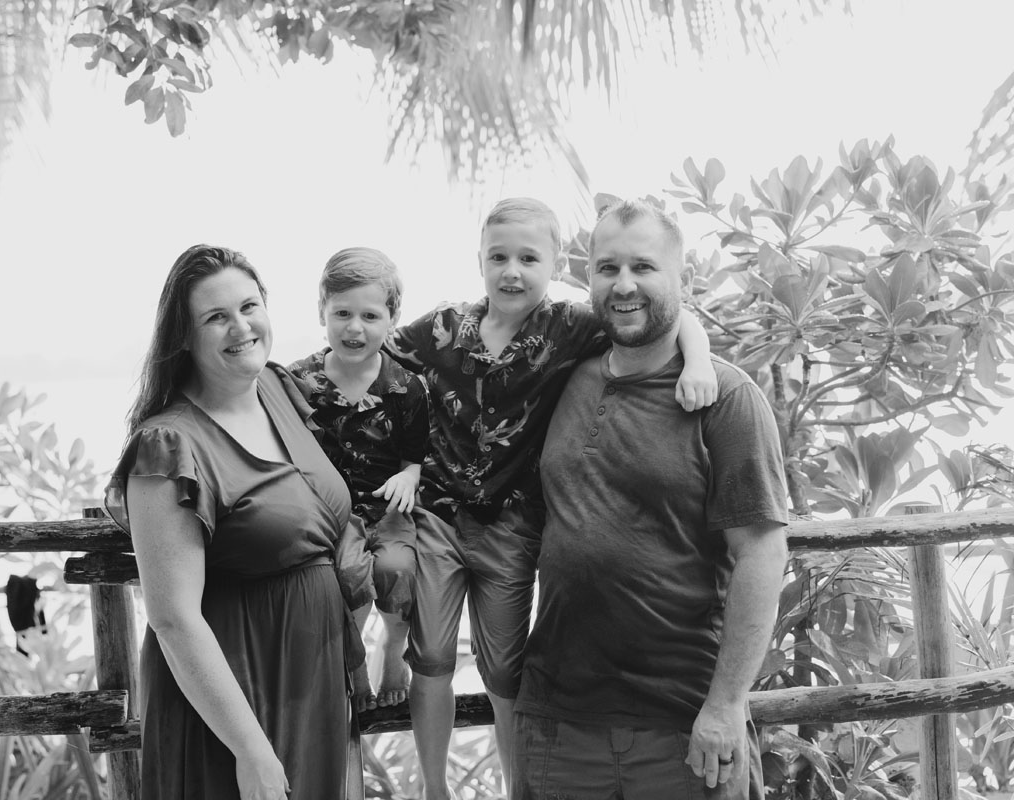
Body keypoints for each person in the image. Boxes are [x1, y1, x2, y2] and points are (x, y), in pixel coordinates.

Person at [386, 197, 719, 799]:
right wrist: (398, 461)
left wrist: (698, 362)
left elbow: (671, 319)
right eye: (498, 258)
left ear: (556, 264)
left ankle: (517, 788)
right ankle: (434, 790)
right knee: (430, 655)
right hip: (438, 517)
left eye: (528, 259)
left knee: (504, 671)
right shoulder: (445, 327)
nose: (512, 272)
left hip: (512, 523)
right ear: (479, 261)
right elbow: (371, 355)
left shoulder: (570, 327)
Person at [512, 199, 791, 799]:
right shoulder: (564, 375)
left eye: (643, 267)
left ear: (681, 280)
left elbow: (762, 555)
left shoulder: (726, 398)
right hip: (558, 720)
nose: (623, 285)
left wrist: (726, 705)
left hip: (683, 723)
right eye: (607, 268)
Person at [103, 245, 362, 800]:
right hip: (236, 703)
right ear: (184, 338)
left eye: (249, 306)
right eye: (216, 317)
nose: (240, 327)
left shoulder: (276, 389)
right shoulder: (167, 446)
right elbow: (172, 618)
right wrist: (251, 750)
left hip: (309, 683)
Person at [288, 246, 430, 711]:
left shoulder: (406, 387)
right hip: (332, 514)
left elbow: (414, 460)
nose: (354, 328)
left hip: (389, 509)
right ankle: (354, 664)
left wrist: (408, 478)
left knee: (398, 570)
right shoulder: (299, 382)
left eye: (370, 316)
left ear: (392, 319)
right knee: (348, 578)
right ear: (322, 312)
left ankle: (393, 645)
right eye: (342, 313)